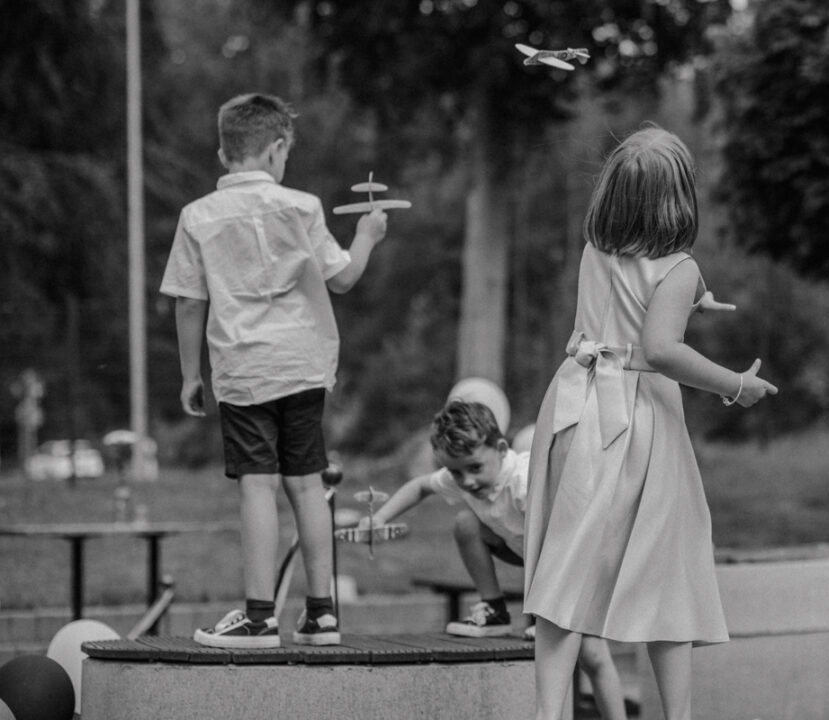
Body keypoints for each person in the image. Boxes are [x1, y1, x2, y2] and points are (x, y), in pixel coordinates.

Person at [524, 125, 779, 720]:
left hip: (572, 405)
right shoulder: (680, 267)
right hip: (635, 420)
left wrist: (688, 300)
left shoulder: (594, 250)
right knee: (667, 567)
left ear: (612, 192)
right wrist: (736, 385)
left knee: (565, 571)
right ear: (680, 198)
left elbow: (624, 301)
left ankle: (546, 712)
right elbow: (661, 350)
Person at [159, 92, 389, 649]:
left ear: (223, 154)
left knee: (257, 486)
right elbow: (343, 279)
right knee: (308, 485)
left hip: (243, 369)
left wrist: (192, 375)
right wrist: (367, 236)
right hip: (303, 364)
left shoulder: (197, 217)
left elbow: (189, 302)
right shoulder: (302, 206)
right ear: (276, 148)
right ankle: (322, 614)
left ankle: (259, 617)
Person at [352, 399, 629, 720]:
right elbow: (419, 487)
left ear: (499, 448)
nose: (467, 481)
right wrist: (380, 517)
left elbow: (567, 541)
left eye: (474, 468)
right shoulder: (467, 478)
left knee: (593, 655)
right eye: (456, 472)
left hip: (578, 563)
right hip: (529, 552)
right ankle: (495, 609)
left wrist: (548, 614)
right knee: (466, 524)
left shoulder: (525, 483)